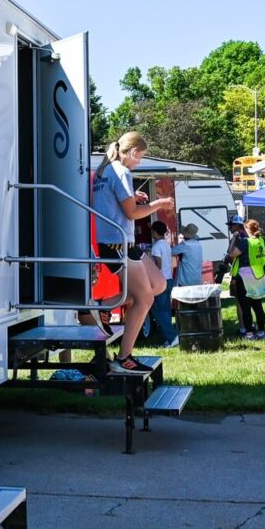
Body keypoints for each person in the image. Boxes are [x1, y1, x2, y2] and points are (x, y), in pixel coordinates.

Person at [92, 132, 175, 374]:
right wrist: (158, 204)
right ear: (132, 152)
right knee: (145, 298)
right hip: (118, 243)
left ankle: (103, 306)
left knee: (158, 283)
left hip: (117, 243)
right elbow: (132, 214)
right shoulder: (121, 171)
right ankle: (124, 358)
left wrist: (133, 197)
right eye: (140, 157)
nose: (139, 162)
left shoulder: (105, 171)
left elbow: (113, 202)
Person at [230, 219, 265, 340]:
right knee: (258, 306)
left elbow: (232, 254)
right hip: (258, 275)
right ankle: (262, 332)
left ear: (248, 229)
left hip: (246, 276)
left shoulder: (246, 242)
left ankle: (249, 334)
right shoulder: (260, 240)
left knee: (245, 306)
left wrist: (234, 238)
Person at [148, 221, 179, 348]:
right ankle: (167, 339)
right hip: (169, 279)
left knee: (159, 312)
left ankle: (172, 337)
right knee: (165, 310)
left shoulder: (156, 247)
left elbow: (158, 265)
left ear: (155, 231)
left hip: (160, 281)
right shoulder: (166, 244)